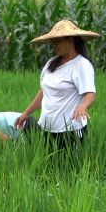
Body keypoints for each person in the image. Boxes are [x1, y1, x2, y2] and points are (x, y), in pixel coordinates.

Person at [14, 20, 98, 149]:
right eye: (53, 42)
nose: (55, 45)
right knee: (51, 166)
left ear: (71, 40)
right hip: (48, 127)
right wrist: (25, 114)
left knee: (68, 167)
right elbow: (43, 92)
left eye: (58, 41)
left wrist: (82, 107)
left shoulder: (81, 65)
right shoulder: (51, 63)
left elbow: (90, 93)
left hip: (70, 129)